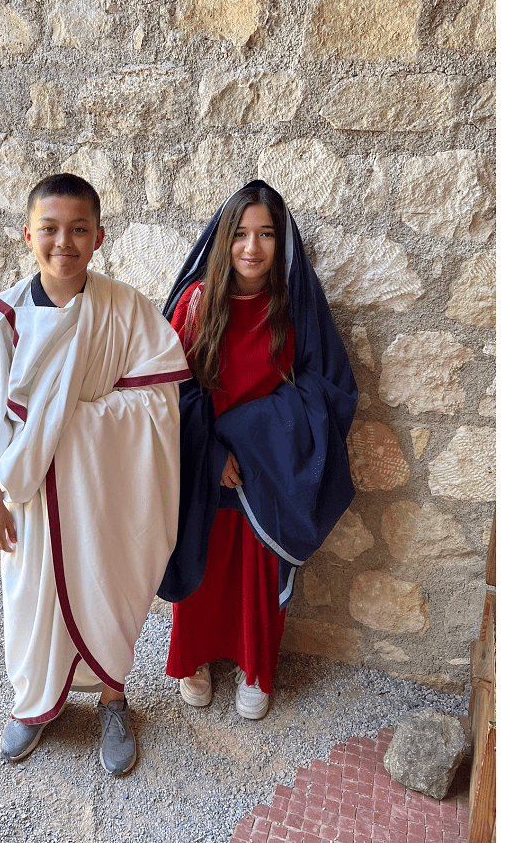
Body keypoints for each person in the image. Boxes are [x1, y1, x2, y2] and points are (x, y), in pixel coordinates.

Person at [0, 173, 190, 775]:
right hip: (29, 496)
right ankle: (33, 705)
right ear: (29, 235)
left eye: (78, 229)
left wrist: (69, 419)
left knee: (107, 584)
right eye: (49, 229)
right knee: (30, 599)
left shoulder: (125, 309)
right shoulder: (4, 316)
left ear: (99, 237)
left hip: (103, 492)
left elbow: (160, 403)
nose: (63, 242)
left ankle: (113, 701)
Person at [157, 181, 358, 720]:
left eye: (266, 234)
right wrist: (211, 451)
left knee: (256, 573)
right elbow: (166, 386)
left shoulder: (294, 308)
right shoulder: (197, 304)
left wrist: (250, 439)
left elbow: (327, 388)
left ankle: (254, 667)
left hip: (266, 471)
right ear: (223, 239)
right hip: (202, 465)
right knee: (200, 563)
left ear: (282, 241)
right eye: (241, 234)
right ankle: (194, 659)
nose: (252, 247)